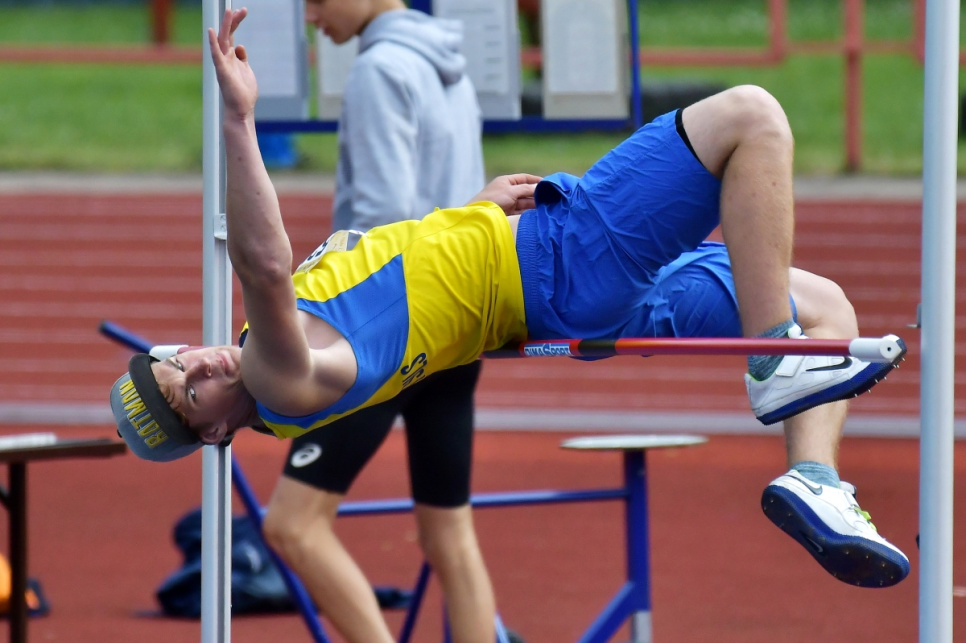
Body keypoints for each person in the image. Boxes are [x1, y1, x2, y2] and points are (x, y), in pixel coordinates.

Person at [111, 5, 910, 605]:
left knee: (828, 313)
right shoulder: (277, 378)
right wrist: (239, 116)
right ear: (214, 432)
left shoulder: (276, 366)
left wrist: (467, 213)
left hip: (555, 294)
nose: (201, 364)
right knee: (751, 116)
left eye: (179, 360)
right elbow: (263, 263)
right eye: (191, 393)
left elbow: (400, 284)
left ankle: (813, 476)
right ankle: (771, 362)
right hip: (558, 261)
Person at [259, 2, 494, 642]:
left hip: (391, 325)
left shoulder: (378, 70)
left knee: (293, 524)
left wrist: (319, 308)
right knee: (448, 530)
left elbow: (381, 219)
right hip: (464, 313)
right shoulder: (449, 62)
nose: (310, 16)